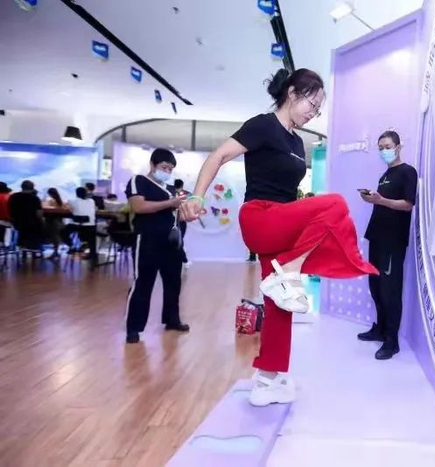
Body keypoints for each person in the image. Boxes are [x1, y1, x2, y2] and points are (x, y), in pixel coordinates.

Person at [180, 68, 378, 407]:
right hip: (259, 216)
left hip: (282, 221)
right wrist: (197, 196)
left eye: (318, 110)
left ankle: (268, 379)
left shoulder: (297, 142)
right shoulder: (263, 125)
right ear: (292, 93)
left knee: (280, 303)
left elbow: (288, 191)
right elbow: (219, 156)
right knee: (336, 203)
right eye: (311, 104)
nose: (313, 113)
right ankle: (289, 270)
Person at [357, 131, 418, 360]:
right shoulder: (385, 176)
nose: (384, 151)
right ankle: (380, 329)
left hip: (393, 241)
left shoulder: (408, 172)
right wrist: (372, 199)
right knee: (376, 287)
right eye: (380, 147)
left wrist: (381, 200)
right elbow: (383, 203)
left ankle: (392, 341)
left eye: (388, 146)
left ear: (398, 147)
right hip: (377, 237)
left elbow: (408, 204)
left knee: (390, 290)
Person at [124, 148, 189, 344]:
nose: (167, 171)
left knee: (173, 283)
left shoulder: (170, 189)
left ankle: (172, 320)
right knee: (143, 283)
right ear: (152, 165)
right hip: (147, 240)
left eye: (170, 169)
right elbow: (138, 206)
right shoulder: (139, 181)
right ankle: (133, 328)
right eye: (164, 167)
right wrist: (170, 203)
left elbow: (176, 214)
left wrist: (187, 211)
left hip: (171, 243)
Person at [8, 180, 44, 251]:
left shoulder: (13, 196)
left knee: (23, 231)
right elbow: (39, 214)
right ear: (32, 188)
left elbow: (10, 210)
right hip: (32, 224)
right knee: (39, 227)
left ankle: (21, 246)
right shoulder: (35, 198)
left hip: (17, 223)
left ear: (21, 187)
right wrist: (42, 221)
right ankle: (33, 248)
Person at [43, 188, 67, 258]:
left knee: (54, 236)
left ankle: (55, 252)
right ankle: (56, 251)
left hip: (52, 222)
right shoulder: (62, 202)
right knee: (56, 237)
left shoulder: (51, 201)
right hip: (59, 222)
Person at [173, 179, 191, 268]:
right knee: (177, 241)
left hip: (180, 220)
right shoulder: (170, 193)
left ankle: (183, 259)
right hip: (174, 220)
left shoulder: (186, 194)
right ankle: (184, 260)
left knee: (179, 240)